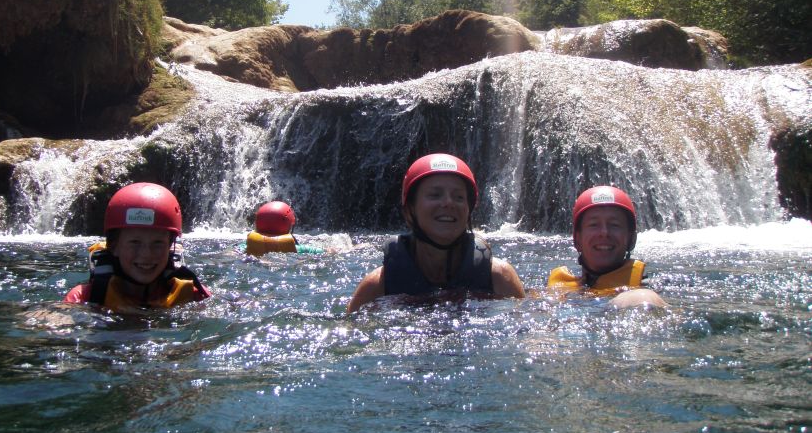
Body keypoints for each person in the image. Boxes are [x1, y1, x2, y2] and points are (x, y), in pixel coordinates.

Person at [347, 153, 526, 313]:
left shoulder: (499, 277)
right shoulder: (376, 286)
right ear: (409, 210)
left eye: (459, 197)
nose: (448, 203)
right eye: (434, 195)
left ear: (469, 210)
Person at [64, 182, 210, 310]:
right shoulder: (83, 298)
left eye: (158, 243)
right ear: (114, 246)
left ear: (170, 246)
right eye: (135, 242)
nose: (147, 254)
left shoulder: (195, 295)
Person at [547, 185, 666, 308]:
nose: (604, 232)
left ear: (632, 239)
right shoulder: (557, 290)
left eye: (614, 225)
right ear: (577, 240)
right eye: (594, 225)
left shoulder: (646, 290)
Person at [234, 201, 325, 256]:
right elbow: (326, 252)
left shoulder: (247, 246)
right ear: (289, 225)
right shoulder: (298, 249)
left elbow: (232, 252)